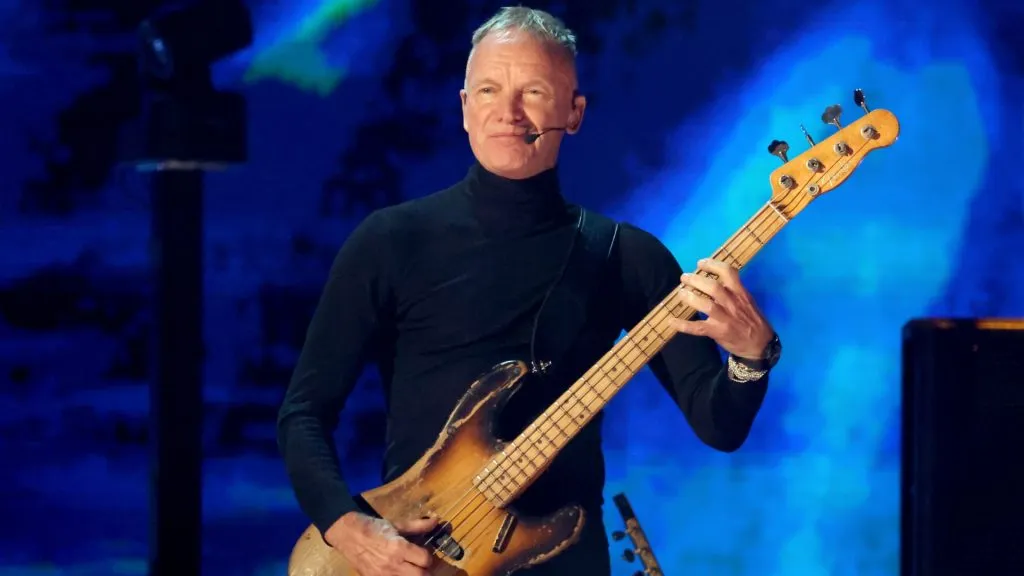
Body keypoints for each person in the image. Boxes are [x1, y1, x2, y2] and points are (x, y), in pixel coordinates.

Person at [277, 6, 781, 576]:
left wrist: (750, 358)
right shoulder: (392, 241)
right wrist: (347, 527)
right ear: (464, 109)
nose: (508, 113)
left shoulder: (626, 256)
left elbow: (719, 425)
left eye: (534, 91)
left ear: (575, 112)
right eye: (488, 89)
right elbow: (303, 414)